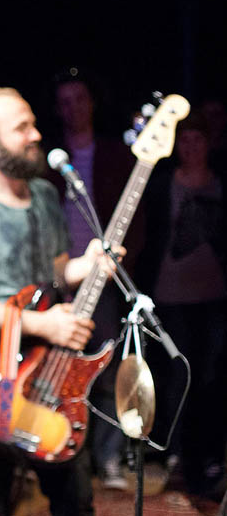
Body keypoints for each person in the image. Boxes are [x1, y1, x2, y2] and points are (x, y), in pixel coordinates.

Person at [0, 87, 119, 515]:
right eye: (21, 127)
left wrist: (85, 266)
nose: (35, 134)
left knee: (76, 500)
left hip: (49, 369)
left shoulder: (46, 196)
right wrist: (41, 325)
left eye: (32, 123)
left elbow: (54, 274)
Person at [46, 71, 139, 490]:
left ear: (92, 103)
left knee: (107, 363)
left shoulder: (113, 154)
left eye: (79, 99)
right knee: (61, 368)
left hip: (103, 276)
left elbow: (136, 216)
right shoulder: (50, 159)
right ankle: (65, 449)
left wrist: (122, 261)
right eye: (64, 101)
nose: (73, 108)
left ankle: (109, 457)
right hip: (58, 276)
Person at [137, 112, 227, 501]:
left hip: (214, 292)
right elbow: (151, 234)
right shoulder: (162, 185)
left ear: (208, 145)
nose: (191, 148)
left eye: (197, 141)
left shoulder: (220, 182)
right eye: (184, 141)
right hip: (171, 291)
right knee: (178, 373)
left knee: (210, 374)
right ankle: (174, 453)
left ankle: (204, 453)